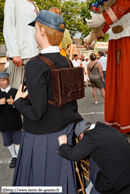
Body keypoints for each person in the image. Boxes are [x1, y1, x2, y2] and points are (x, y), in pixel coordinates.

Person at [11, 10, 83, 192]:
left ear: (42, 31)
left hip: (42, 138)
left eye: (35, 29)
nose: (35, 34)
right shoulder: (67, 61)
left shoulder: (36, 64)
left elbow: (37, 113)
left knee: (40, 181)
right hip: (66, 133)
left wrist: (18, 101)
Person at [85, 0, 130, 134]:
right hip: (116, 37)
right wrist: (96, 32)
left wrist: (103, 17)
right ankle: (120, 121)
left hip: (128, 33)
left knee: (126, 81)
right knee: (117, 83)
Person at [58, 120, 130, 194]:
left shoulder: (90, 136)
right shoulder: (108, 128)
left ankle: (90, 189)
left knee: (96, 186)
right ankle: (90, 187)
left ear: (81, 136)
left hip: (116, 181)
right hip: (126, 172)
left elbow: (73, 155)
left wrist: (63, 144)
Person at [3, 0, 39, 89]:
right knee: (17, 93)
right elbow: (8, 27)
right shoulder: (12, 1)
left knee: (34, 93)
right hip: (21, 57)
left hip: (36, 55)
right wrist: (14, 53)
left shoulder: (34, 5)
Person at [0, 72, 22, 168]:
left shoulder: (15, 91)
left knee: (18, 140)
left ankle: (19, 157)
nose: (1, 82)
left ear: (8, 80)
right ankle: (14, 156)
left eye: (3, 80)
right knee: (8, 142)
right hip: (3, 123)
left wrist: (14, 103)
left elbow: (22, 106)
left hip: (15, 121)